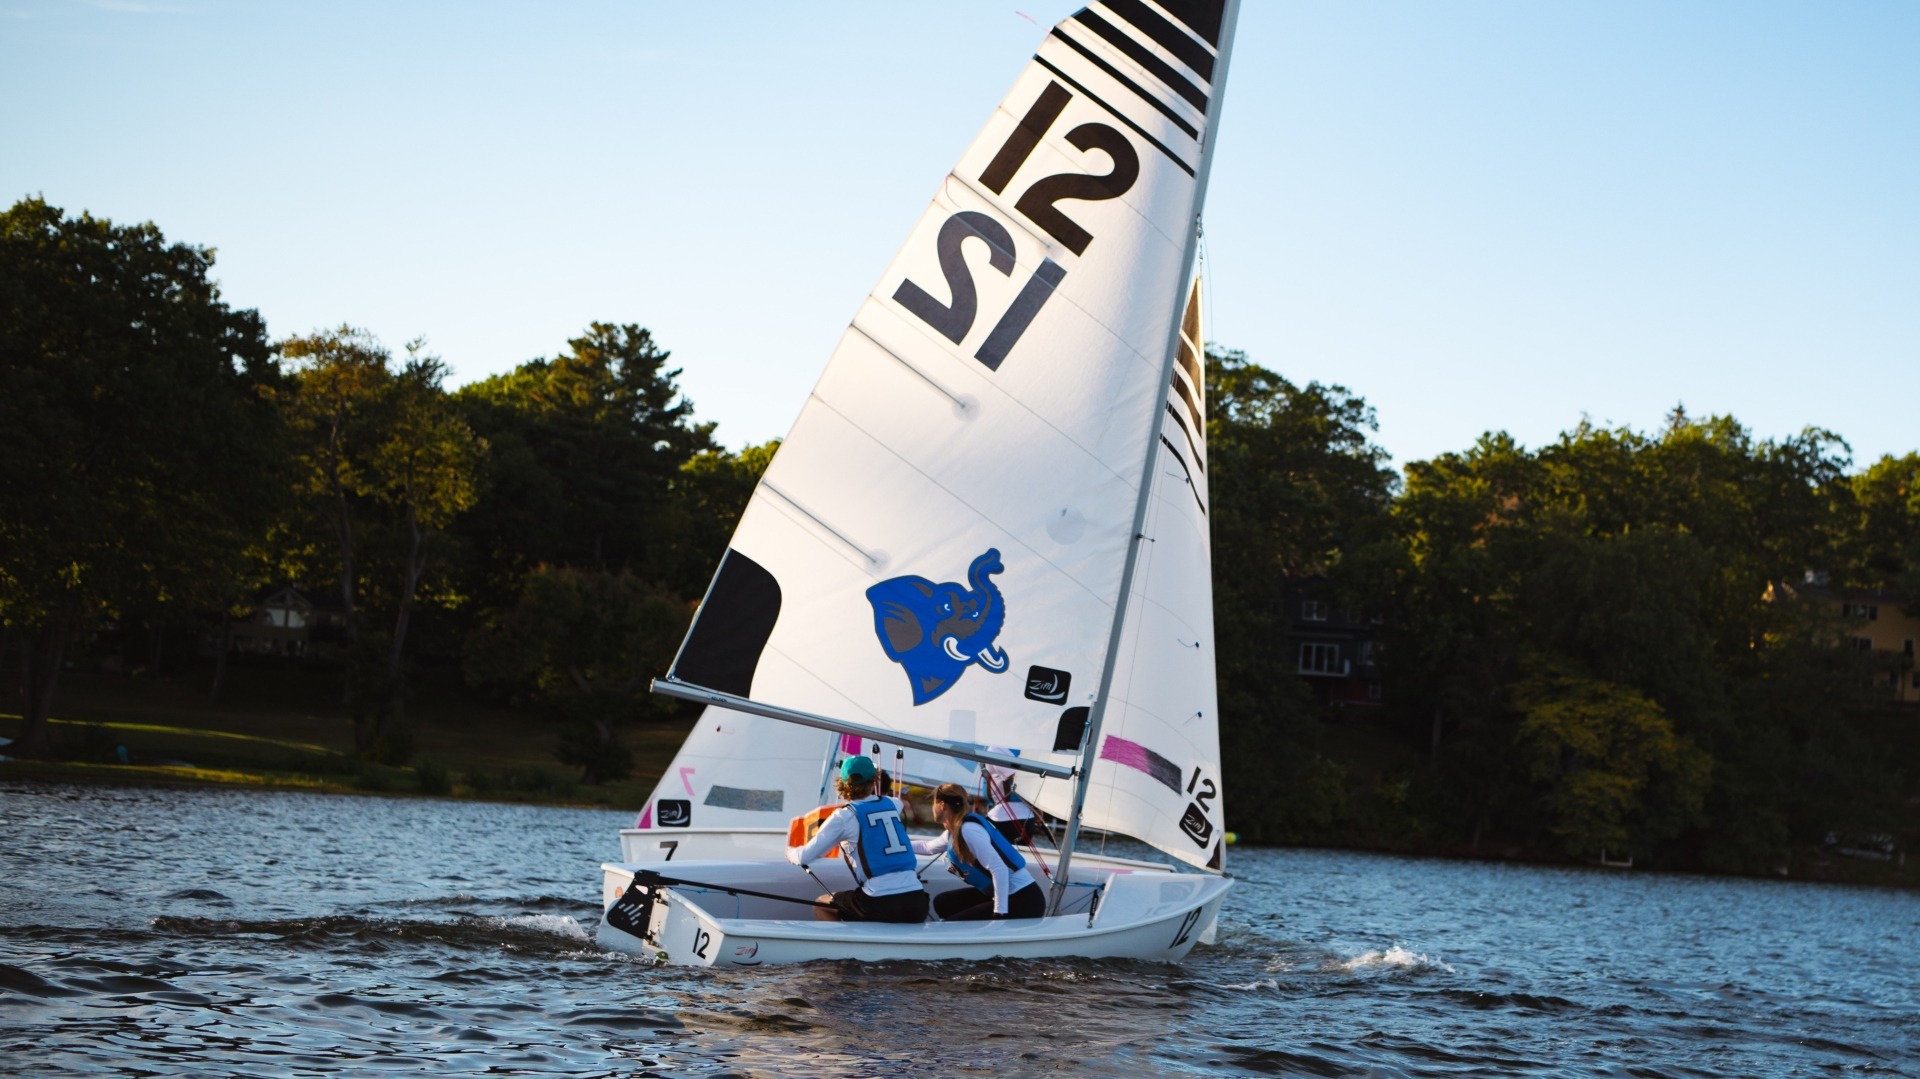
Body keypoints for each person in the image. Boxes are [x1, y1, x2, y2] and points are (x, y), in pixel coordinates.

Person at [786, 755, 929, 923]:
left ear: (842, 783)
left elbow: (804, 857)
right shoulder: (894, 804)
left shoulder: (844, 816)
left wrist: (790, 852)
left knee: (822, 904)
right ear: (874, 781)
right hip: (917, 902)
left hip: (879, 902)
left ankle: (843, 941)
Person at [914, 782, 1045, 920]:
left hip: (1024, 900)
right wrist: (898, 842)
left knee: (947, 926)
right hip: (1005, 894)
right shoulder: (954, 831)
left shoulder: (969, 830)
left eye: (933, 802)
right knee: (943, 903)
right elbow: (926, 847)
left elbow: (999, 868)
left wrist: (999, 913)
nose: (932, 807)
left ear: (941, 805)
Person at [979, 754, 1046, 846]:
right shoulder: (1023, 751)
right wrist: (1037, 809)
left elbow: (1016, 776)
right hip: (1025, 816)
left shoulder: (996, 750)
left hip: (1004, 816)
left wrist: (1037, 809)